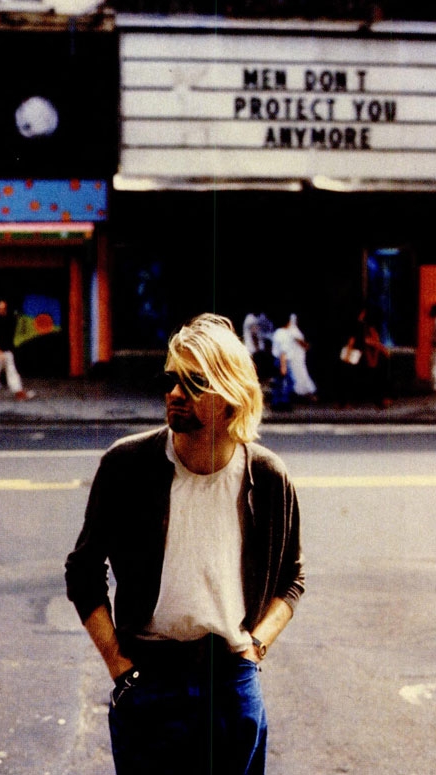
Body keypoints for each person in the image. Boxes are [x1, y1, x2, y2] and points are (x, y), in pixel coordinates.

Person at [65, 312, 305, 775]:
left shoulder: (268, 477)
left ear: (232, 399)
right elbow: (84, 571)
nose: (175, 393)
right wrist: (119, 666)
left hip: (230, 680)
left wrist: (256, 647)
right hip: (148, 677)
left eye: (195, 383)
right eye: (172, 379)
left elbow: (292, 578)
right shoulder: (126, 465)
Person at [0, 300, 34, 402]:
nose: (1, 310)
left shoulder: (10, 320)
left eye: (3, 308)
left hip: (8, 351)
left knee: (12, 371)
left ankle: (18, 392)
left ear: (6, 309)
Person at [287, 313, 318, 401]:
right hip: (296, 357)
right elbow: (299, 341)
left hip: (299, 356)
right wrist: (307, 346)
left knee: (301, 373)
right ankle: (306, 392)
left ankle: (306, 393)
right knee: (300, 373)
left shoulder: (294, 329)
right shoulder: (292, 330)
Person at [242, 310, 274, 381]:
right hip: (253, 348)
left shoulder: (258, 317)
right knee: (256, 368)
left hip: (255, 348)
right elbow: (254, 335)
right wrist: (257, 348)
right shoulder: (251, 318)